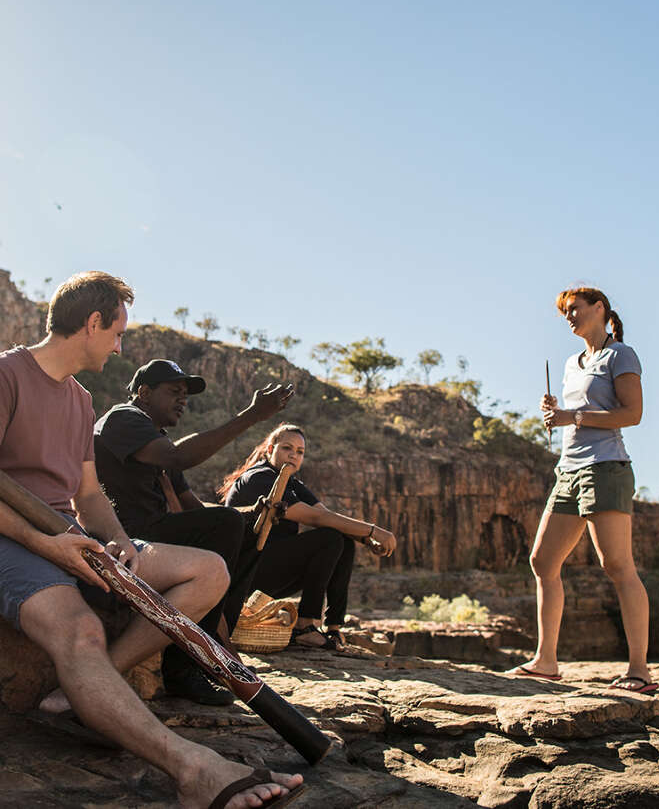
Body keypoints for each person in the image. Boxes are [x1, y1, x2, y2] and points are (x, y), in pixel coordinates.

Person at [0, 271, 302, 809]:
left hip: (70, 534)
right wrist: (46, 546)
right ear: (92, 323)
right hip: (12, 538)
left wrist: (122, 543)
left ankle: (88, 687)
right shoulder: (6, 376)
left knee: (209, 569)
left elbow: (89, 495)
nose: (120, 346)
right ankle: (193, 768)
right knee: (80, 631)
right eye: (117, 333)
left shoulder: (80, 401)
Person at [94, 358, 293, 704]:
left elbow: (194, 510)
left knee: (244, 530)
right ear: (143, 393)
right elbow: (178, 458)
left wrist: (254, 514)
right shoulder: (123, 419)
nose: (183, 400)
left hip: (157, 532)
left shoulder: (157, 438)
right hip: (126, 536)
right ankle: (185, 666)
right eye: (174, 392)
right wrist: (252, 415)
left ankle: (216, 643)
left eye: (185, 394)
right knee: (228, 524)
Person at [508, 286, 655, 694]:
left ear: (599, 309)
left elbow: (632, 414)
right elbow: (575, 416)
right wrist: (555, 413)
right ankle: (547, 661)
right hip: (568, 471)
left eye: (574, 309)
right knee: (542, 561)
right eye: (564, 313)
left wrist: (573, 415)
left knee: (617, 566)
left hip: (605, 468)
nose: (569, 317)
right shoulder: (574, 363)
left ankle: (640, 671)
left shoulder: (620, 355)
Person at [219, 424, 396, 650]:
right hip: (245, 573)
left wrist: (366, 540)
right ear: (271, 449)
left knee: (343, 541)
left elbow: (326, 514)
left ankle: (333, 628)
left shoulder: (292, 483)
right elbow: (316, 518)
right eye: (287, 448)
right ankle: (305, 626)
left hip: (272, 569)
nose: (294, 455)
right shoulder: (259, 478)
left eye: (300, 452)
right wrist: (373, 530)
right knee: (329, 539)